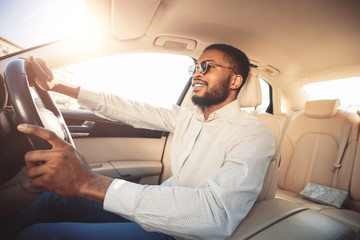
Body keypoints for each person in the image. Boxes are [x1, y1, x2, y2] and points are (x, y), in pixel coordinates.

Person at [3, 44, 275, 240]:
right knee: (53, 199)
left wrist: (88, 182)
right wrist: (58, 88)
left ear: (235, 80)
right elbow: (129, 108)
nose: (196, 73)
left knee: (40, 234)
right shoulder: (186, 117)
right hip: (154, 206)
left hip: (179, 231)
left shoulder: (253, 133)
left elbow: (216, 216)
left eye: (207, 66)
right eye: (194, 66)